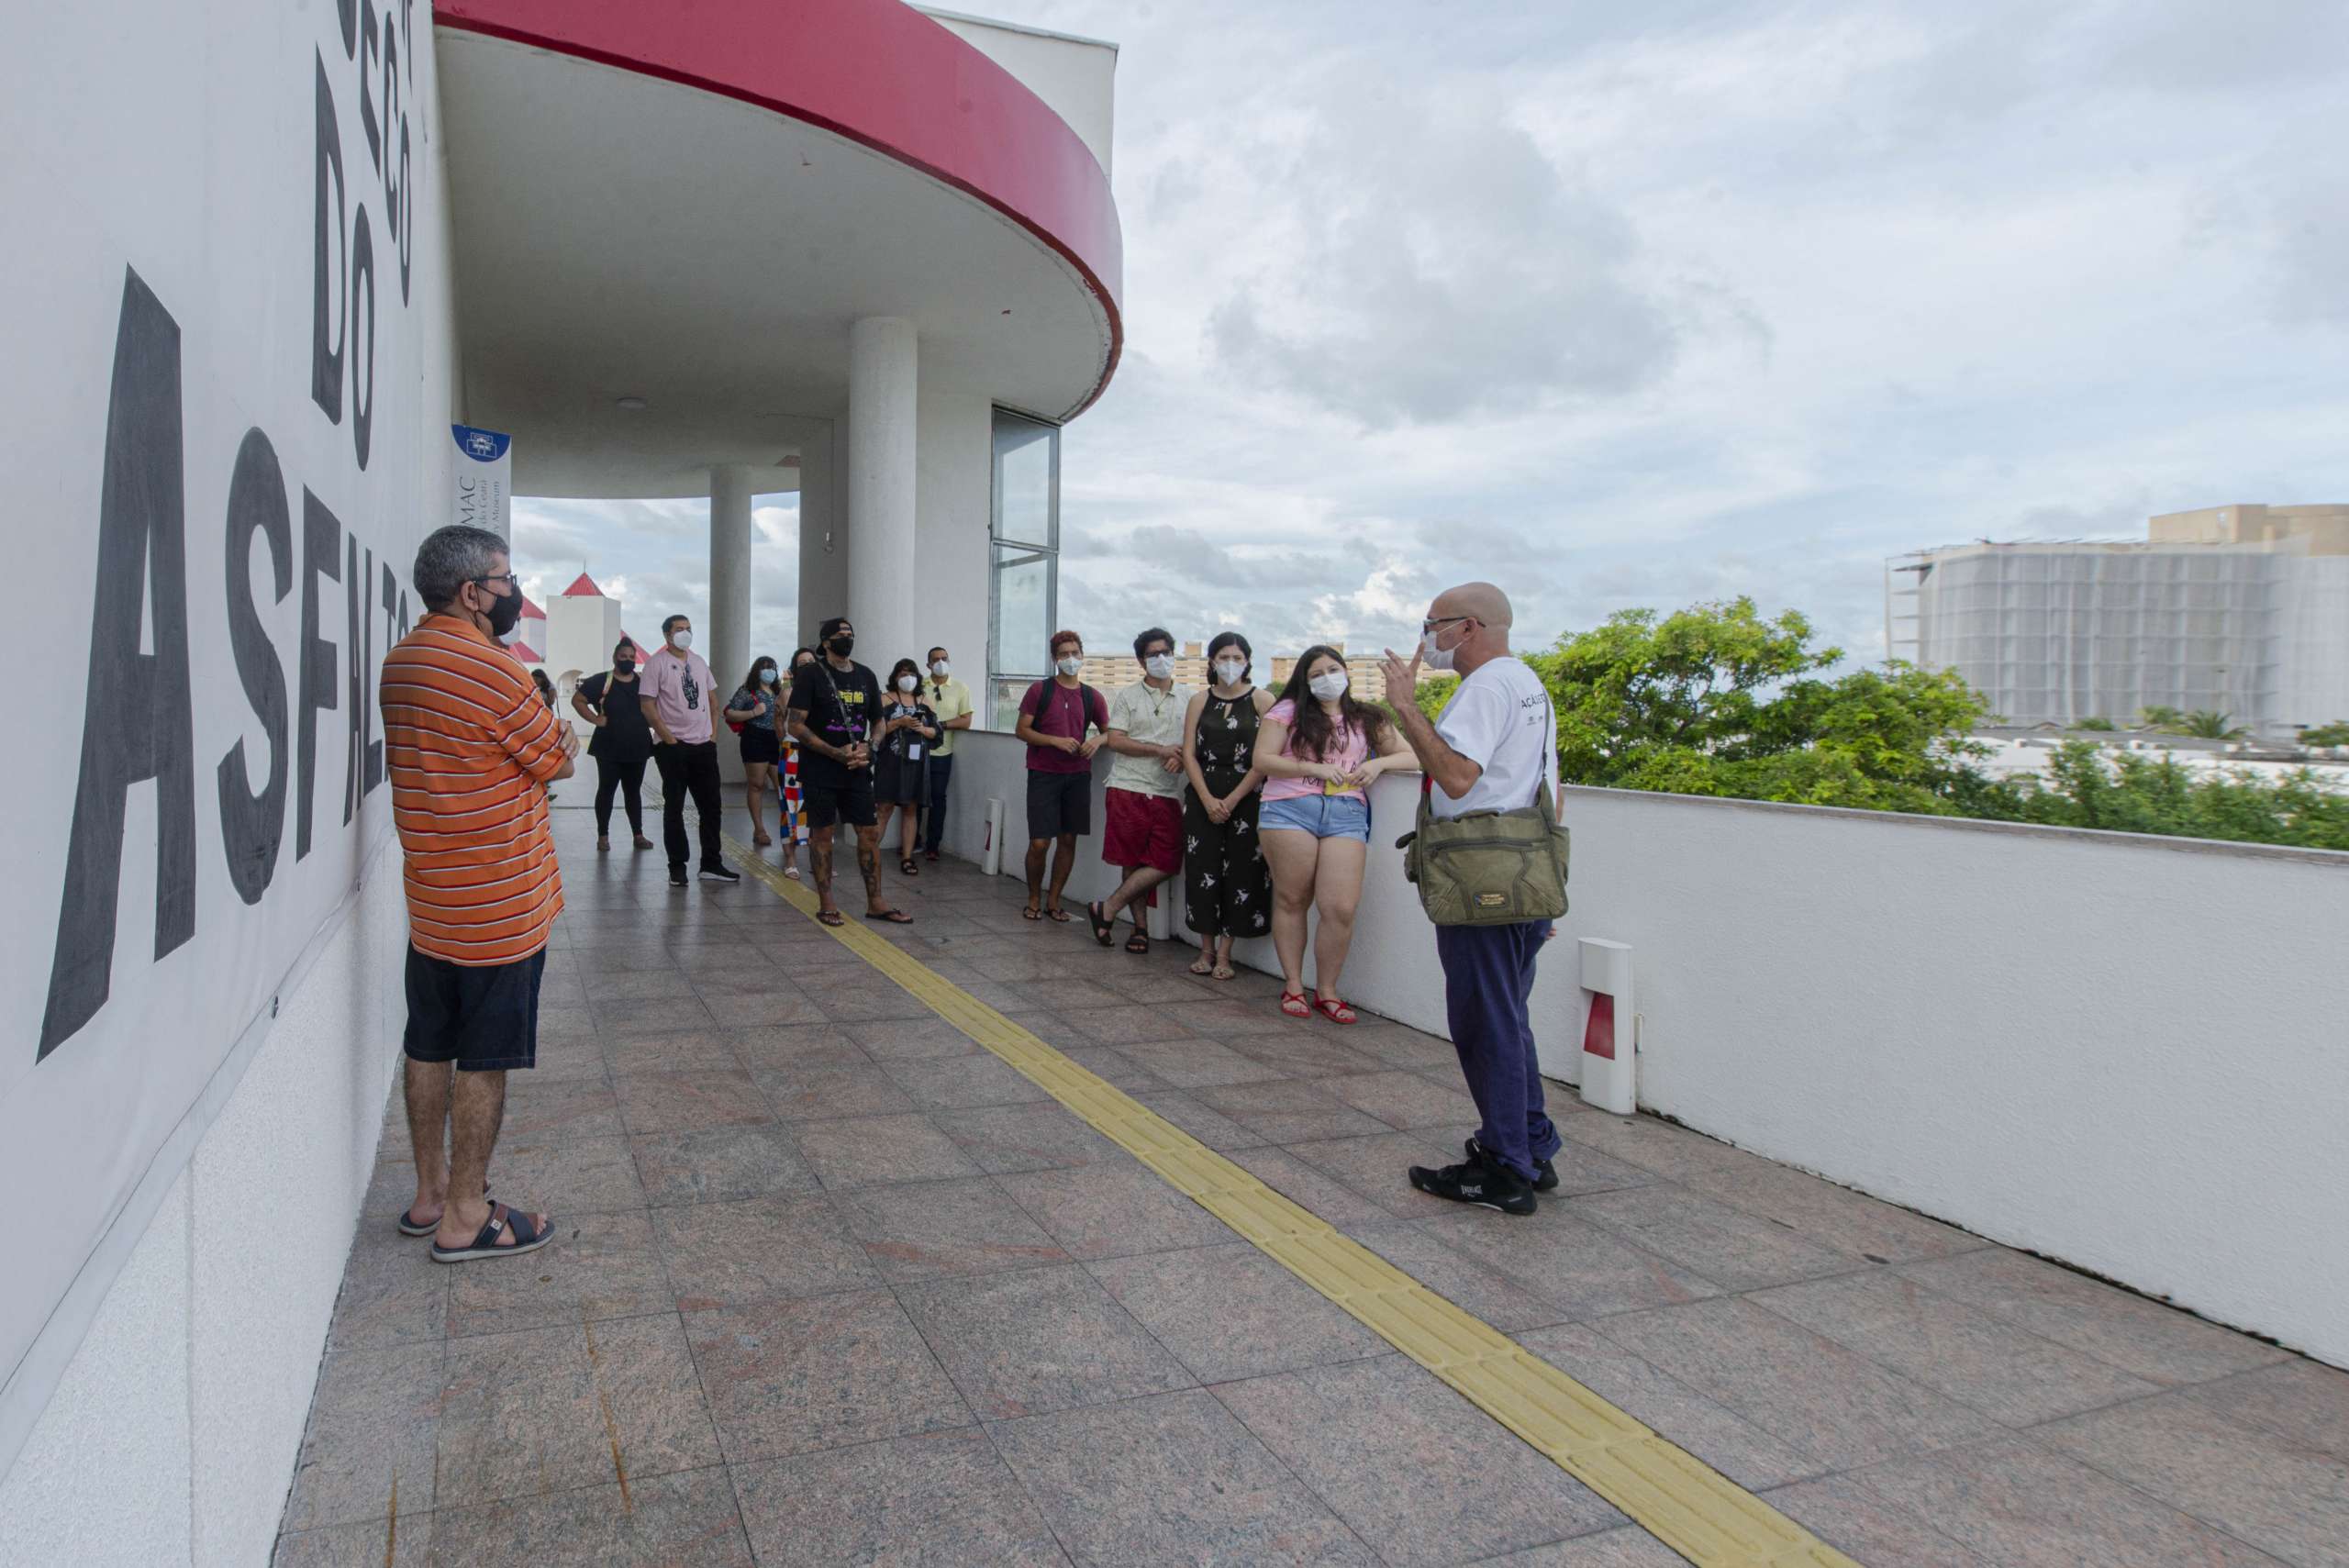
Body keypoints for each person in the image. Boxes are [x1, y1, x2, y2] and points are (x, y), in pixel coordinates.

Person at [379, 524, 569, 1262]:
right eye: (505, 579)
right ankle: (465, 1214)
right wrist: (555, 741)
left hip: (434, 900)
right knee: (484, 1061)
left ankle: (429, 1193)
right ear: (471, 593)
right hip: (499, 906)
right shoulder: (493, 670)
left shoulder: (402, 660)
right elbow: (556, 759)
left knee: (428, 1044)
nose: (513, 591)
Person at [1380, 583, 1563, 1218]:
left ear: (1469, 627)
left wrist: (1406, 708)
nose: (1426, 635)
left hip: (1482, 881)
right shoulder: (1527, 682)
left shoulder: (1486, 688)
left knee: (1485, 1022)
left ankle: (1505, 1168)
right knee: (1508, 1017)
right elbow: (1548, 787)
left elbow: (1457, 776)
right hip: (1522, 874)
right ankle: (1531, 1145)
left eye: (1433, 623)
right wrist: (1545, 885)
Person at [1255, 646, 1416, 1022]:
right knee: (1293, 899)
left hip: (1346, 812)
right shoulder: (1287, 711)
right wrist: (1312, 768)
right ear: (1304, 681)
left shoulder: (1368, 717)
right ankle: (1294, 985)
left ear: (1345, 672)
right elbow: (1262, 759)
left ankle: (1327, 990)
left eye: (1333, 669)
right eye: (1316, 674)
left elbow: (1411, 756)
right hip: (1289, 808)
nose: (1326, 678)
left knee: (1340, 907)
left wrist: (1378, 764)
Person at [785, 617, 912, 927]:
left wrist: (871, 747)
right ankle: (827, 903)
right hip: (819, 769)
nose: (847, 638)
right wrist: (834, 752)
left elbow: (878, 721)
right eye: (841, 634)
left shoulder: (866, 676)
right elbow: (795, 724)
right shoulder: (811, 675)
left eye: (850, 633)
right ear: (826, 642)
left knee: (869, 832)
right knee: (823, 835)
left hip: (857, 768)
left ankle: (876, 902)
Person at [1087, 628, 1193, 954]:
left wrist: (1183, 758)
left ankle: (1107, 908)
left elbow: (1196, 741)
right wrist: (1159, 750)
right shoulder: (1128, 696)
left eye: (1165, 652)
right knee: (1131, 860)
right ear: (1141, 661)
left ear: (1174, 654)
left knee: (1167, 861)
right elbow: (1116, 740)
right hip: (1127, 785)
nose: (1161, 659)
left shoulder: (1190, 698)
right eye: (1152, 654)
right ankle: (1140, 929)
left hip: (1166, 791)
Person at [1182, 631, 1274, 979]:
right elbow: (1189, 753)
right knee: (1201, 868)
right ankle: (1206, 949)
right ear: (1212, 661)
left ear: (1248, 662)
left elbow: (1266, 756)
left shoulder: (1263, 700)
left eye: (1237, 658)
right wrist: (1207, 799)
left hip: (1247, 796)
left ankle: (1225, 953)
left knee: (1243, 871)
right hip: (1203, 793)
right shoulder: (1199, 700)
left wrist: (1233, 799)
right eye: (1223, 657)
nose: (1230, 664)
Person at [1014, 629, 1108, 922]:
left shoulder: (1092, 696)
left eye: (1075, 653)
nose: (1070, 658)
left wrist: (1097, 741)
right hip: (1043, 774)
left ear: (1082, 656)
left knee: (1068, 840)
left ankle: (1054, 901)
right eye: (1064, 654)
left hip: (1078, 776)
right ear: (1055, 658)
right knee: (1040, 842)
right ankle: (1033, 899)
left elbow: (1111, 732)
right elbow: (1022, 730)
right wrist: (1054, 740)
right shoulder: (1040, 691)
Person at [640, 615, 740, 887]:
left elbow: (713, 700)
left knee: (711, 806)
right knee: (674, 806)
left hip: (703, 745)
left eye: (688, 628)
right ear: (667, 635)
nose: (685, 633)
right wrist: (669, 739)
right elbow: (647, 706)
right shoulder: (656, 664)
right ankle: (677, 866)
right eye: (679, 629)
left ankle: (711, 863)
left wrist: (712, 736)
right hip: (673, 747)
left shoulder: (698, 662)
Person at [571, 639, 655, 852]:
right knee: (607, 790)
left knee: (633, 792)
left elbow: (655, 706)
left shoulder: (643, 682)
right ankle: (603, 836)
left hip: (638, 746)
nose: (628, 660)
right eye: (623, 656)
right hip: (608, 746)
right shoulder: (602, 681)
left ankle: (638, 835)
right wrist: (595, 719)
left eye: (631, 657)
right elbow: (578, 700)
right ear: (615, 658)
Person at [874, 658, 940, 876]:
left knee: (911, 809)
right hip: (889, 763)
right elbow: (876, 730)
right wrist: (899, 722)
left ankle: (908, 857)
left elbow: (936, 732)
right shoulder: (884, 699)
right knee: (884, 809)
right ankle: (870, 855)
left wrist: (922, 729)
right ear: (895, 677)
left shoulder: (924, 701)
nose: (908, 678)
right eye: (903, 674)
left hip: (916, 763)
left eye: (911, 674)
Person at [724, 655, 789, 847]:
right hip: (754, 738)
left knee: (782, 786)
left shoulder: (779, 691)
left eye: (772, 667)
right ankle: (759, 829)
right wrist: (753, 712)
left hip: (776, 740)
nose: (769, 671)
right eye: (764, 667)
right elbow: (730, 713)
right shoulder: (747, 691)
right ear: (756, 671)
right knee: (757, 784)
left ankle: (789, 827)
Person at [919, 646, 974, 862]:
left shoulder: (960, 688)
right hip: (917, 751)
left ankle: (933, 845)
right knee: (913, 798)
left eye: (944, 658)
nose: (940, 662)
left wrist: (939, 726)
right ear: (928, 665)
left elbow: (966, 721)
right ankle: (912, 841)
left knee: (938, 798)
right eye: (936, 659)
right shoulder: (919, 685)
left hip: (943, 753)